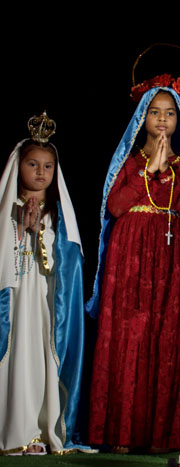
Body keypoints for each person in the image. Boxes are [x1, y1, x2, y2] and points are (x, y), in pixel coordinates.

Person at [86, 73, 180, 452]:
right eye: (154, 112)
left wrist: (171, 171)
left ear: (178, 121)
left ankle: (162, 436)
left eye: (169, 114)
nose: (161, 120)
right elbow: (115, 206)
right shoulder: (129, 161)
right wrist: (148, 174)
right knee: (130, 335)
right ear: (143, 117)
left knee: (167, 337)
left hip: (171, 261)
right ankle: (121, 434)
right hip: (130, 257)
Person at [0, 113, 87, 455]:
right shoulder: (7, 211)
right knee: (15, 360)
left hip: (44, 303)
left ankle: (39, 430)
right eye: (33, 164)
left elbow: (68, 263)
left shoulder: (57, 216)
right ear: (17, 167)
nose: (40, 172)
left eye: (48, 166)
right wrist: (20, 229)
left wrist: (40, 233)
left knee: (39, 361)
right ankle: (14, 431)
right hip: (15, 303)